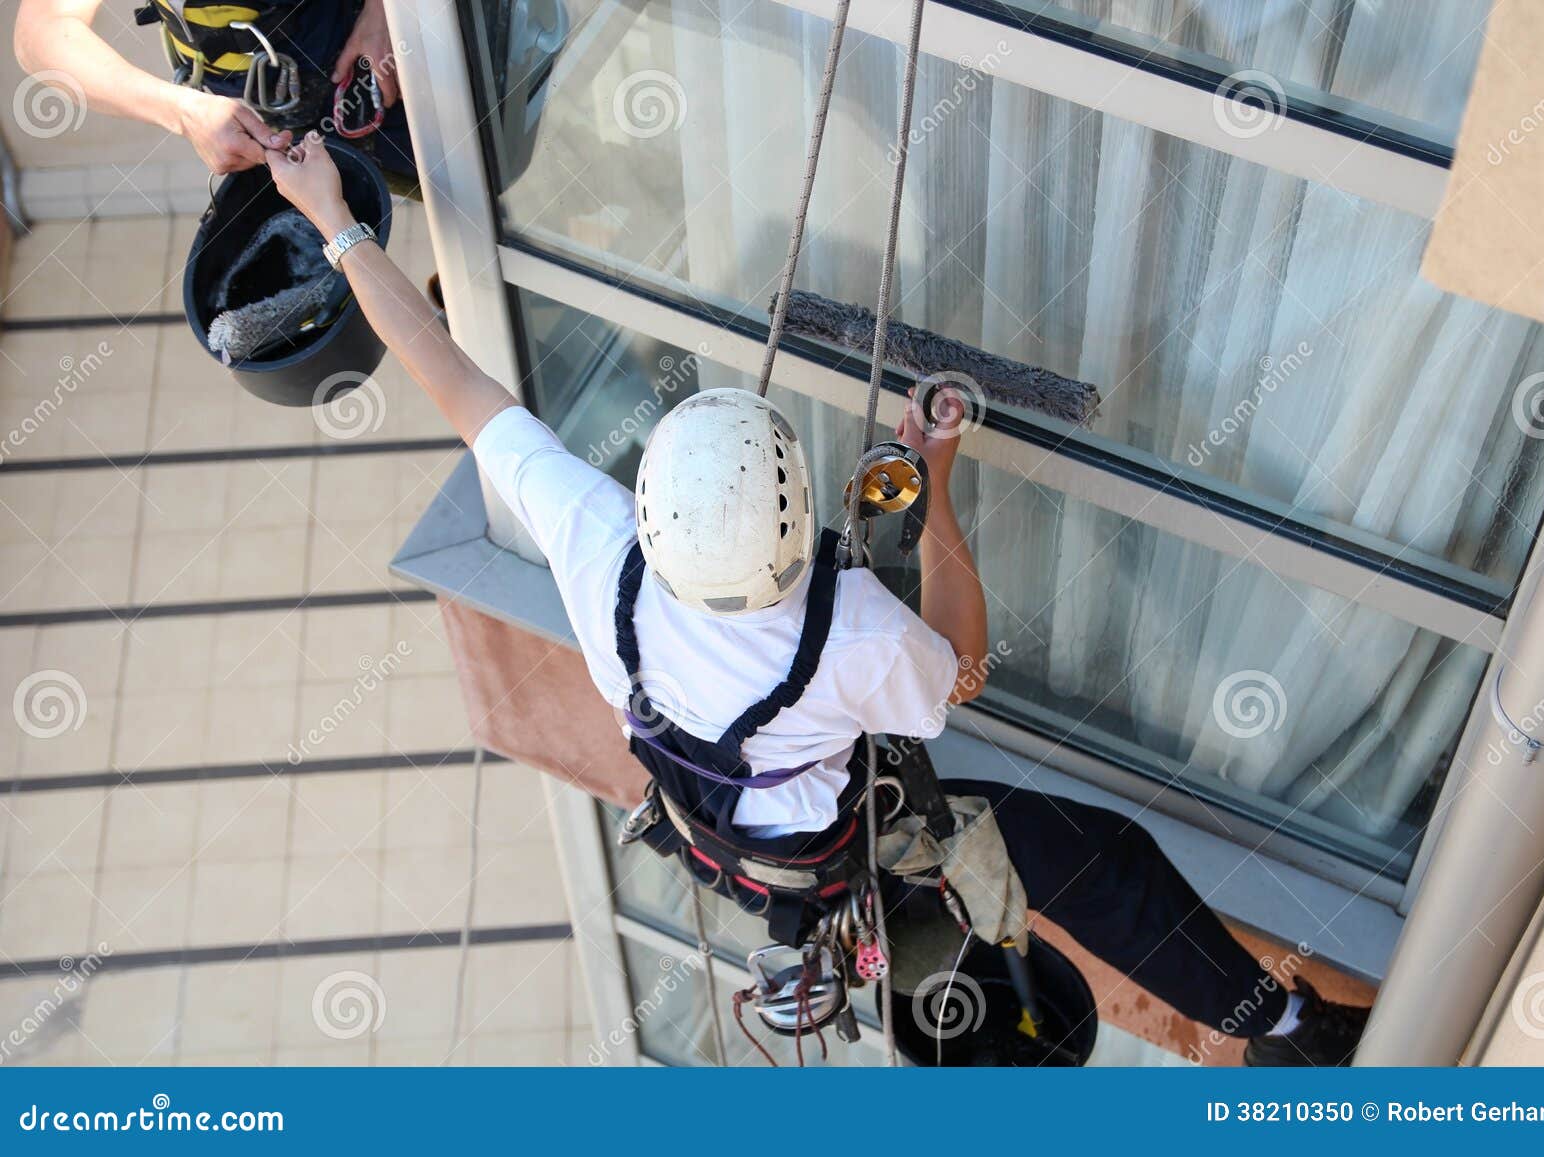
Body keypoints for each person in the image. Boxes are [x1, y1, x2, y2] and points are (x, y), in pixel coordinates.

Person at [265, 132, 1370, 1067]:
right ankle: (1279, 1022)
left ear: (651, 505)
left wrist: (337, 221)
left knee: (991, 887)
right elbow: (962, 670)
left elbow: (449, 374)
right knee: (1106, 859)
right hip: (834, 838)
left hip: (746, 841)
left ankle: (1232, 1018)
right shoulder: (850, 629)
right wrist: (936, 480)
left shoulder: (600, 549)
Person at [14, 0, 413, 178]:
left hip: (372, 49)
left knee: (463, 172)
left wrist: (385, 10)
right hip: (248, 106)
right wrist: (182, 110)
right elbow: (41, 32)